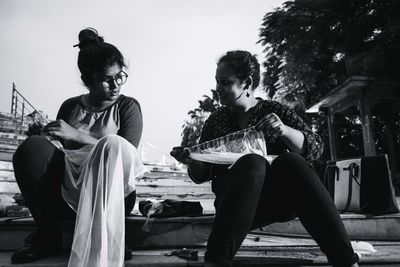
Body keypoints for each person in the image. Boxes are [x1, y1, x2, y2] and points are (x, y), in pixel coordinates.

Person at [171, 50, 360, 267]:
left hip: (277, 203)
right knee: (253, 162)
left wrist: (284, 130)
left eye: (225, 82)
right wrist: (192, 160)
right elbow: (201, 175)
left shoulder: (274, 110)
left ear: (247, 83)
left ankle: (346, 261)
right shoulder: (217, 120)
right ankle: (216, 260)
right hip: (234, 204)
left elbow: (316, 148)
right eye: (217, 81)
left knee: (292, 162)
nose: (218, 88)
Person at [11, 28, 146, 266]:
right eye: (106, 79)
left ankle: (111, 237)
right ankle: (47, 236)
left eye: (120, 76)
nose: (115, 85)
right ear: (88, 80)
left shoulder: (127, 107)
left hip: (111, 197)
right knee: (32, 147)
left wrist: (78, 135)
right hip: (68, 194)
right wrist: (45, 137)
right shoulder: (71, 107)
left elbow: (127, 158)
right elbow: (57, 154)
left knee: (114, 144)